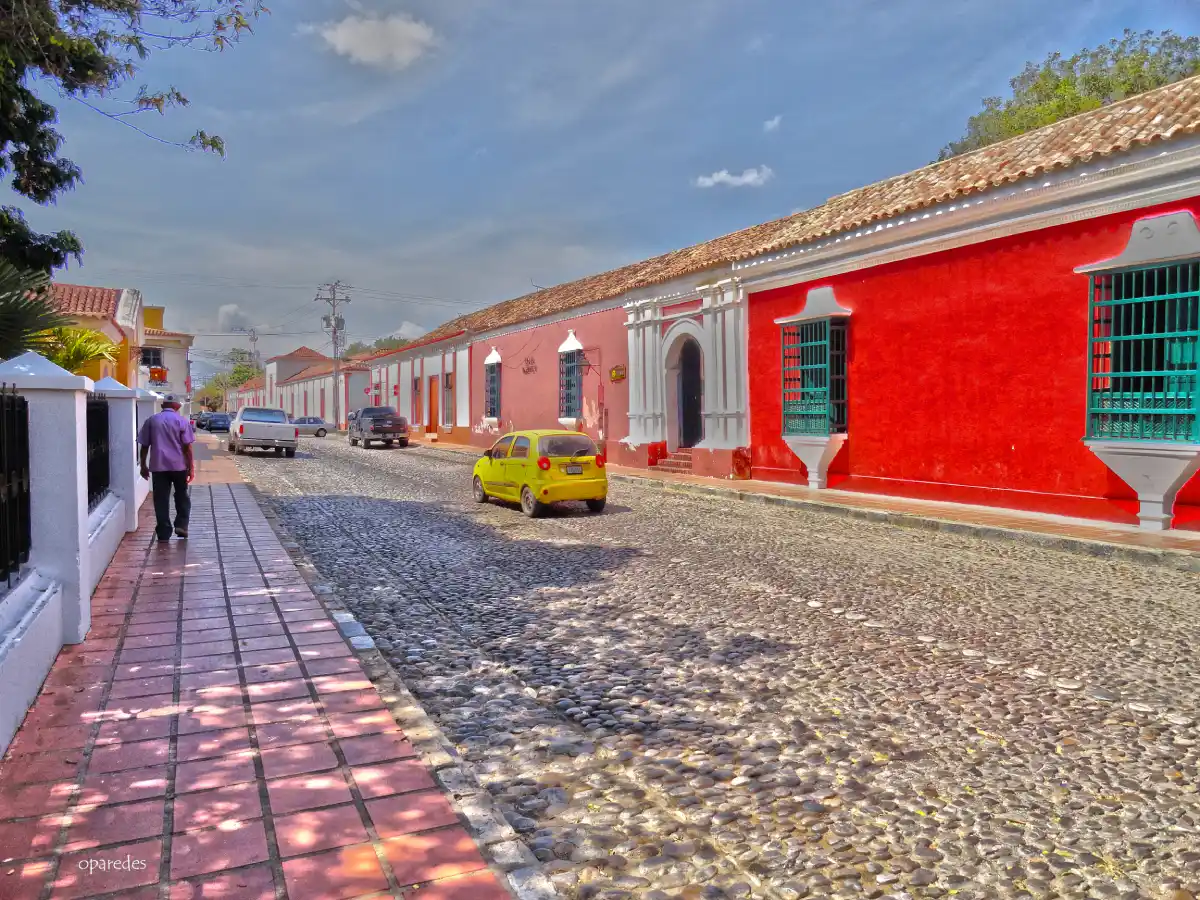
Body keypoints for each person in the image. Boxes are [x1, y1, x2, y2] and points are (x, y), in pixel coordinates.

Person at [138, 394, 195, 541]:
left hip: (158, 466)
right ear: (177, 407)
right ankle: (181, 525)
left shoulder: (152, 420)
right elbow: (187, 447)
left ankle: (163, 532)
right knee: (181, 495)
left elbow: (144, 445)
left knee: (161, 498)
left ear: (163, 406)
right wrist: (191, 467)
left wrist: (143, 464)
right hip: (179, 466)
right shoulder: (181, 421)